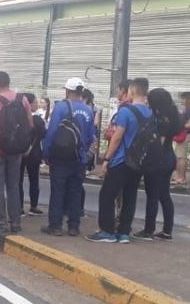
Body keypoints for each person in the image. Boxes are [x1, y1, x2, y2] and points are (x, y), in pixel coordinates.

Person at [88, 78, 151, 244]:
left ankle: (107, 231)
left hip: (121, 160)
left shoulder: (126, 111)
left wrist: (106, 159)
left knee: (107, 194)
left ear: (132, 91)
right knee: (130, 196)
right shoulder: (151, 113)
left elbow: (117, 138)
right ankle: (124, 232)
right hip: (139, 161)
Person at [41, 78, 95, 237]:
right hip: (79, 158)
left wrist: (47, 153)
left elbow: (51, 133)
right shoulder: (88, 110)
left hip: (60, 158)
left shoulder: (61, 107)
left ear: (67, 91)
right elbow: (91, 136)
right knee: (75, 192)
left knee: (58, 191)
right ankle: (74, 226)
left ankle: (55, 226)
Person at [0, 71, 33, 233]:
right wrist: (25, 145)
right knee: (13, 185)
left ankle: (0, 221)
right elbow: (30, 125)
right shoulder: (22, 99)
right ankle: (15, 221)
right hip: (16, 149)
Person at [133, 88, 183, 241]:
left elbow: (157, 142)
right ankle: (167, 231)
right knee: (164, 195)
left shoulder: (160, 119)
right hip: (169, 157)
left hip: (158, 160)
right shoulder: (173, 115)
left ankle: (149, 230)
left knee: (152, 195)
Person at [20, 92, 46, 215]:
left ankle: (19, 206)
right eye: (35, 102)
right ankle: (33, 206)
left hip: (19, 152)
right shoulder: (38, 120)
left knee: (17, 180)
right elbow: (44, 135)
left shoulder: (19, 118)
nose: (37, 104)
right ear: (28, 104)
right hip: (34, 153)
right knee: (34, 180)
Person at [172, 91, 190, 186]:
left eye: (183, 98)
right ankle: (178, 176)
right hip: (181, 135)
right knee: (179, 157)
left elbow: (188, 124)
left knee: (181, 157)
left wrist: (182, 127)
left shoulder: (188, 110)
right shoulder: (185, 109)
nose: (182, 100)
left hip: (184, 135)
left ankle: (181, 178)